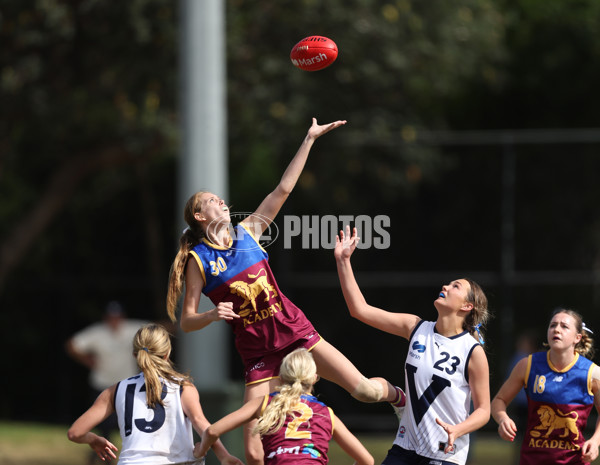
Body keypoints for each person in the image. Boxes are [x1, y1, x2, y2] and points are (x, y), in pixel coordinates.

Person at [166, 118, 405, 465]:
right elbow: (186, 321)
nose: (219, 199)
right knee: (252, 450)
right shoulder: (198, 260)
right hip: (258, 354)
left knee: (366, 391)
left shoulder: (248, 233)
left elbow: (283, 189)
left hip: (295, 332)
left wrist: (308, 139)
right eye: (210, 199)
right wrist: (211, 314)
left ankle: (400, 399)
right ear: (200, 215)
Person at [334, 225, 491, 465]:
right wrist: (343, 261)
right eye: (448, 284)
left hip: (444, 455)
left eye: (455, 286)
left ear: (467, 306)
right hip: (404, 449)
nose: (446, 287)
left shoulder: (472, 351)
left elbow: (483, 411)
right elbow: (360, 309)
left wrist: (458, 430)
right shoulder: (416, 327)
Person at [67, 323, 243, 465]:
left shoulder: (115, 390)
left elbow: (75, 433)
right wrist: (223, 455)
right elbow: (203, 425)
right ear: (167, 353)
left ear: (135, 355)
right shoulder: (183, 387)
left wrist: (93, 439)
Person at [193, 348, 374, 465]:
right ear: (315, 378)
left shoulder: (264, 402)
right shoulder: (327, 414)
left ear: (280, 376)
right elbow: (367, 460)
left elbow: (212, 431)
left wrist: (202, 451)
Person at [491, 308, 600, 464]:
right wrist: (503, 419)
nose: (556, 329)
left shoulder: (592, 373)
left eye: (564, 326)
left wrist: (595, 441)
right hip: (532, 460)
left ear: (577, 337)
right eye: (552, 325)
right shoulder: (528, 365)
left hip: (573, 460)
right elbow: (499, 400)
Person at [65, 301, 149, 451]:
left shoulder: (132, 328)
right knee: (104, 425)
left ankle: (102, 449)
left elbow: (159, 329)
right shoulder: (97, 332)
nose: (114, 321)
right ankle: (102, 448)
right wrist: (87, 360)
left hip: (126, 385)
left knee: (126, 422)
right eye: (111, 317)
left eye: (117, 317)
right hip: (103, 385)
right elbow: (72, 344)